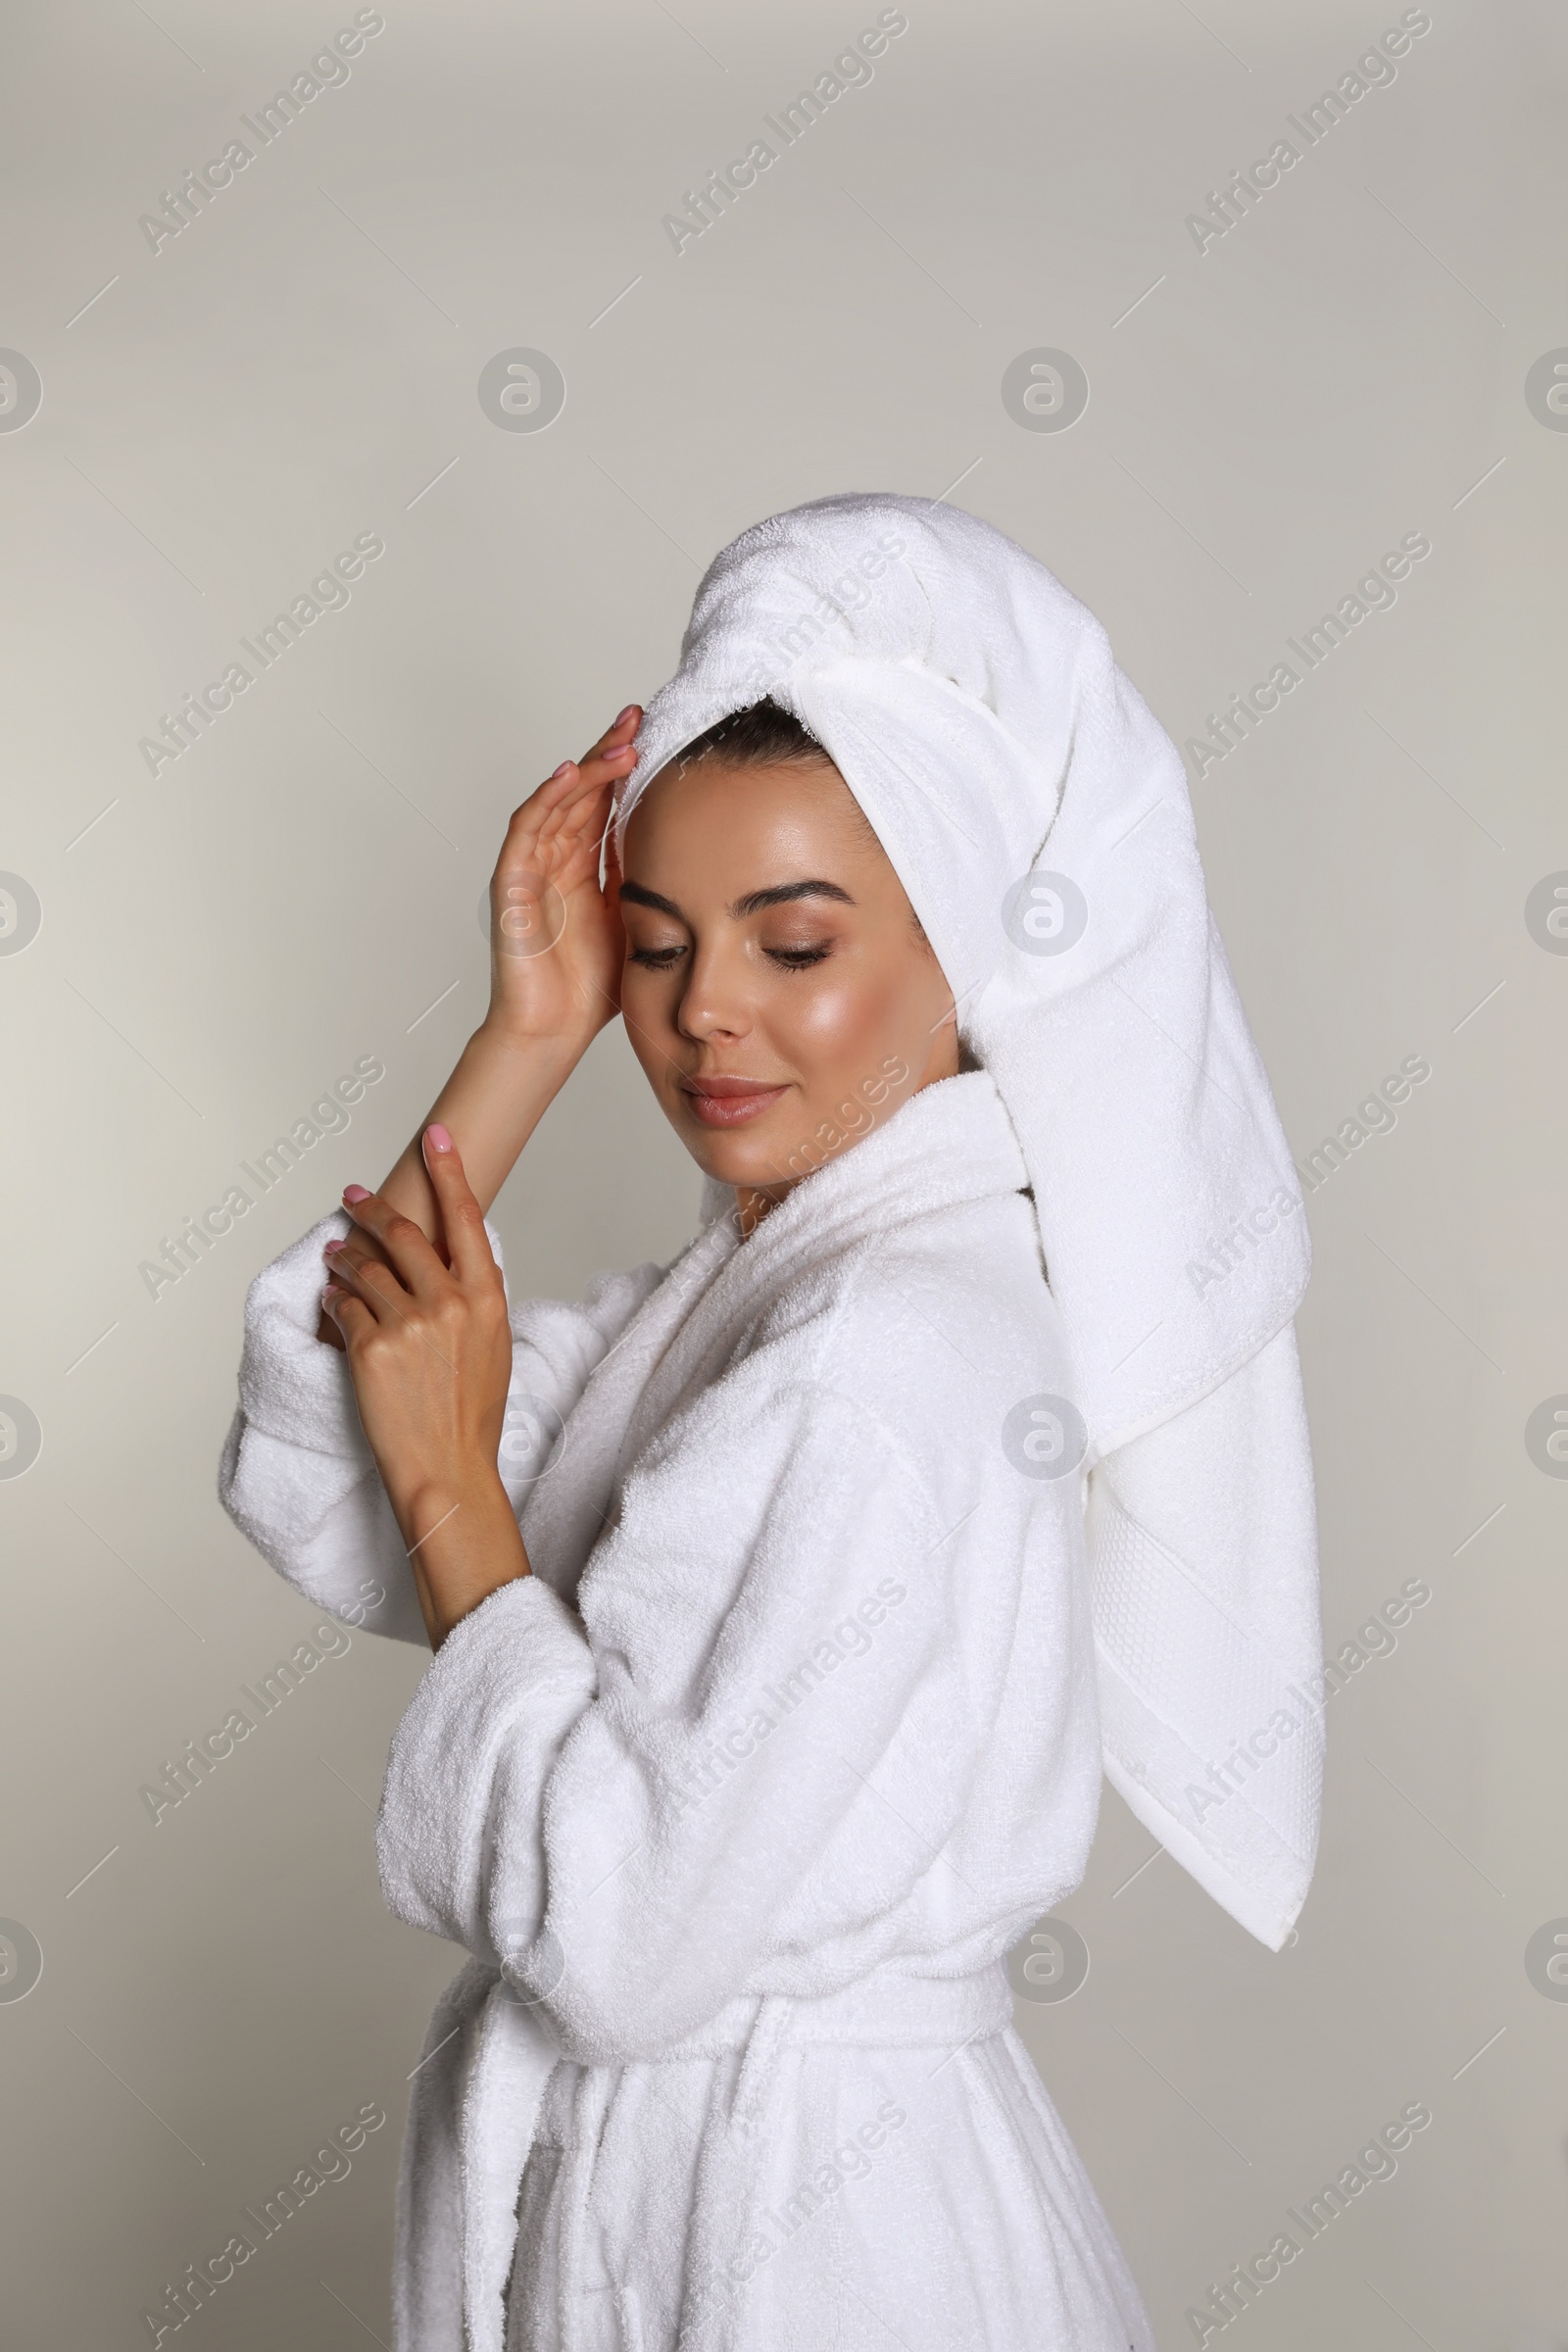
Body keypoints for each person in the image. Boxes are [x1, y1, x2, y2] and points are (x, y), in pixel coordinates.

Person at [220, 493, 1322, 2352]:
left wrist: (452, 1489)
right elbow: (328, 1440)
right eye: (652, 947)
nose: (704, 1015)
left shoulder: (883, 1359)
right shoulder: (760, 1304)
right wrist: (524, 1040)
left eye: (791, 944)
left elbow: (631, 1934)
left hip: (793, 2244)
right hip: (744, 2189)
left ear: (959, 948)